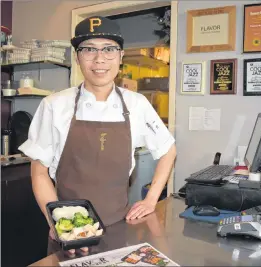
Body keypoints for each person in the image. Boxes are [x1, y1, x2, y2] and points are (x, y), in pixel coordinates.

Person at [19, 16, 176, 253]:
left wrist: (151, 199)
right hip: (68, 234)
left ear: (121, 56)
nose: (99, 59)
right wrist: (58, 222)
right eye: (89, 50)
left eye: (109, 49)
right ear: (77, 57)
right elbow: (39, 173)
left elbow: (168, 150)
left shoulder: (137, 104)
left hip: (120, 228)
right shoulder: (54, 105)